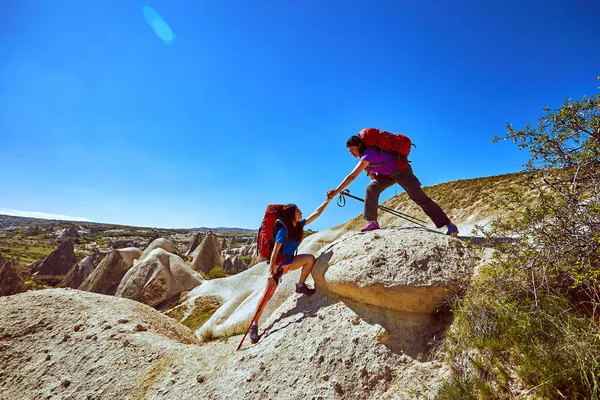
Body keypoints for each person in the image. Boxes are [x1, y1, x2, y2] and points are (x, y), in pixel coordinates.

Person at [326, 134, 458, 235]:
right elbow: (373, 180)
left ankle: (449, 225)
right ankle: (372, 222)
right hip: (387, 176)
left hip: (402, 171)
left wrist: (336, 191)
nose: (351, 153)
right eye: (350, 151)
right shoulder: (365, 161)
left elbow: (352, 176)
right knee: (371, 188)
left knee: (420, 198)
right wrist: (374, 195)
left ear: (359, 146)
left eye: (352, 150)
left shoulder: (368, 155)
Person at [249, 199, 331, 344]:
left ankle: (300, 285)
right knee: (267, 296)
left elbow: (316, 214)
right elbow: (275, 252)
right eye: (298, 211)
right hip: (278, 267)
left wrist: (328, 200)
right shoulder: (283, 229)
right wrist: (270, 272)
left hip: (290, 262)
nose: (301, 213)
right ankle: (254, 325)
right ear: (291, 214)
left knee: (310, 259)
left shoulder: (298, 225)